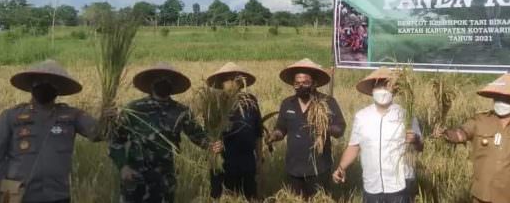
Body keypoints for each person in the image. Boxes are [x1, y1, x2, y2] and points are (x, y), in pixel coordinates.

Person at [0, 59, 112, 203]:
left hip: (57, 196)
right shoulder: (11, 116)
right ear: (32, 85)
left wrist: (108, 119)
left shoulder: (72, 115)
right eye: (40, 81)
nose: (45, 85)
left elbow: (99, 134)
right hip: (19, 197)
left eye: (52, 82)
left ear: (59, 89)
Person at [109, 62, 218, 203]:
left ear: (172, 84)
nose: (163, 81)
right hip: (135, 178)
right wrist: (123, 167)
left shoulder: (181, 111)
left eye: (167, 79)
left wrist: (212, 145)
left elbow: (197, 135)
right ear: (151, 82)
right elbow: (116, 140)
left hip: (164, 180)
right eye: (159, 78)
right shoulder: (133, 109)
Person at [432, 73, 510, 203]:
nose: (501, 100)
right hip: (484, 196)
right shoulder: (480, 121)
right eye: (497, 96)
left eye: (506, 97)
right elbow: (460, 134)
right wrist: (445, 133)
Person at [332, 67, 423, 203]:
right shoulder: (362, 117)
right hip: (372, 184)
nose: (383, 90)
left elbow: (420, 147)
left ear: (395, 89)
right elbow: (354, 146)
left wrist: (415, 140)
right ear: (372, 90)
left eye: (387, 85)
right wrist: (341, 168)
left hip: (400, 184)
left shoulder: (406, 116)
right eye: (379, 86)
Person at [266, 58, 346, 199]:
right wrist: (274, 136)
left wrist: (324, 125)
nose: (301, 86)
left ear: (314, 84)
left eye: (305, 83)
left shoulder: (326, 103)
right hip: (294, 168)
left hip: (319, 168)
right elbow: (281, 129)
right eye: (297, 83)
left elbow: (340, 130)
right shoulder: (287, 104)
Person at [207, 62, 263, 201]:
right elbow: (207, 132)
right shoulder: (214, 103)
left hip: (247, 160)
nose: (231, 83)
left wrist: (259, 156)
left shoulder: (251, 101)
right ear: (221, 83)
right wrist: (213, 145)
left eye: (235, 80)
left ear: (240, 83)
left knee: (249, 196)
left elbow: (258, 132)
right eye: (227, 80)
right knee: (224, 197)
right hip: (224, 161)